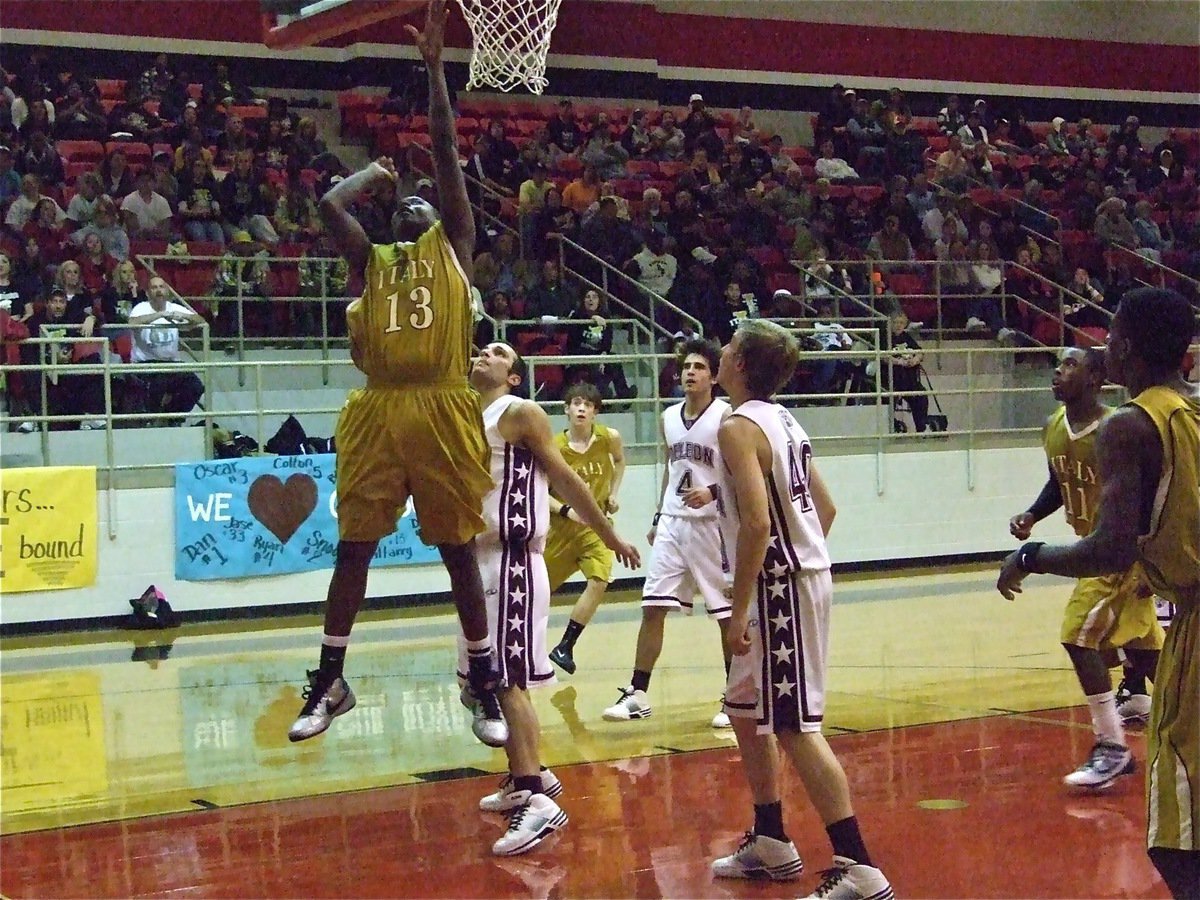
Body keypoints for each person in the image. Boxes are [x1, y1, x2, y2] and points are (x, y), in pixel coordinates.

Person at [287, 1, 505, 751]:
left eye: (423, 199)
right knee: (355, 546)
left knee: (454, 550)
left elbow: (444, 148)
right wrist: (369, 175)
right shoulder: (369, 262)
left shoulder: (455, 245)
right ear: (388, 221)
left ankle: (482, 678)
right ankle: (330, 678)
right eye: (401, 200)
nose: (415, 200)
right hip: (379, 412)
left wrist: (437, 72)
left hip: (444, 408)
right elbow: (325, 203)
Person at [997, 288, 1198, 899]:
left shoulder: (1129, 427)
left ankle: (1115, 739)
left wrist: (1032, 555)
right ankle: (1132, 697)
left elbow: (1111, 549)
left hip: (1192, 608)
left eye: (1109, 338)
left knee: (1176, 834)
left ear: (1126, 349)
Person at [710, 319, 892, 899]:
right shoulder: (785, 418)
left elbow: (759, 524)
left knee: (791, 725)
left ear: (740, 364)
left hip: (778, 589)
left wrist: (739, 610)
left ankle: (860, 868)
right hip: (798, 577)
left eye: (730, 346)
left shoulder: (738, 425)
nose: (720, 351)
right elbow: (827, 508)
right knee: (744, 707)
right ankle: (771, 839)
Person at [466, 341, 639, 856]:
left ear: (514, 377)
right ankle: (525, 776)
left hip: (513, 556)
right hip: (478, 559)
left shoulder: (521, 412)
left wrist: (608, 535)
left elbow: (563, 479)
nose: (482, 353)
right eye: (480, 349)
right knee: (483, 682)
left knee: (506, 678)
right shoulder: (467, 412)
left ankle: (538, 800)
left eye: (496, 352)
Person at [1007, 346, 1163, 787]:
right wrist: (1033, 514)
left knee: (1078, 636)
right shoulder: (1054, 426)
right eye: (1057, 364)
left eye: (1070, 364)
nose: (1058, 371)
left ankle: (1112, 746)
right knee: (1150, 656)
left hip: (1119, 552)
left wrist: (1153, 559)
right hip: (1092, 546)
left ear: (1096, 378)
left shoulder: (1118, 428)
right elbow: (1061, 479)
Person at [602, 338, 734, 727]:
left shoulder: (727, 417)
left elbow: (743, 474)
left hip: (714, 525)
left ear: (714, 376)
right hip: (674, 524)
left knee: (726, 614)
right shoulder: (668, 417)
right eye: (686, 366)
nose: (690, 372)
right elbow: (670, 470)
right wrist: (659, 516)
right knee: (652, 606)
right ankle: (637, 693)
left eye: (699, 366)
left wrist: (711, 491)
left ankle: (737, 694)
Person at [544, 381, 626, 675]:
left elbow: (619, 461)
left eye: (588, 405)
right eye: (576, 403)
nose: (582, 408)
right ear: (566, 410)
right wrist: (565, 509)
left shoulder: (609, 438)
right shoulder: (554, 447)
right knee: (538, 592)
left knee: (599, 580)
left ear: (595, 412)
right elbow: (540, 492)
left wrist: (614, 492)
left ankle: (565, 646)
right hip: (561, 530)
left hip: (597, 528)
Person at [126, 275, 207, 424]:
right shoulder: (141, 307)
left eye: (161, 287)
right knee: (158, 385)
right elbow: (132, 322)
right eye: (154, 287)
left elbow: (201, 320)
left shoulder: (174, 307)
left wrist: (182, 315)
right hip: (145, 364)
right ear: (148, 292)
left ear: (167, 291)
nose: (158, 291)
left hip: (171, 363)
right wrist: (160, 315)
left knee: (195, 386)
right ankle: (153, 422)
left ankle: (172, 418)